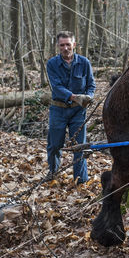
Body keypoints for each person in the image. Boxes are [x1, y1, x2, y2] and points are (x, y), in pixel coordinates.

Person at [46, 31, 96, 184]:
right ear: (58, 46)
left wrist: (88, 97)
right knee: (55, 145)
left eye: (68, 44)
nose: (65, 48)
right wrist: (74, 97)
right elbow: (57, 87)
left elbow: (91, 85)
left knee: (79, 147)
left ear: (74, 45)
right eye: (62, 45)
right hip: (58, 110)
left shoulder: (84, 62)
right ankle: (53, 172)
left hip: (78, 111)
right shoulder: (52, 64)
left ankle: (81, 181)